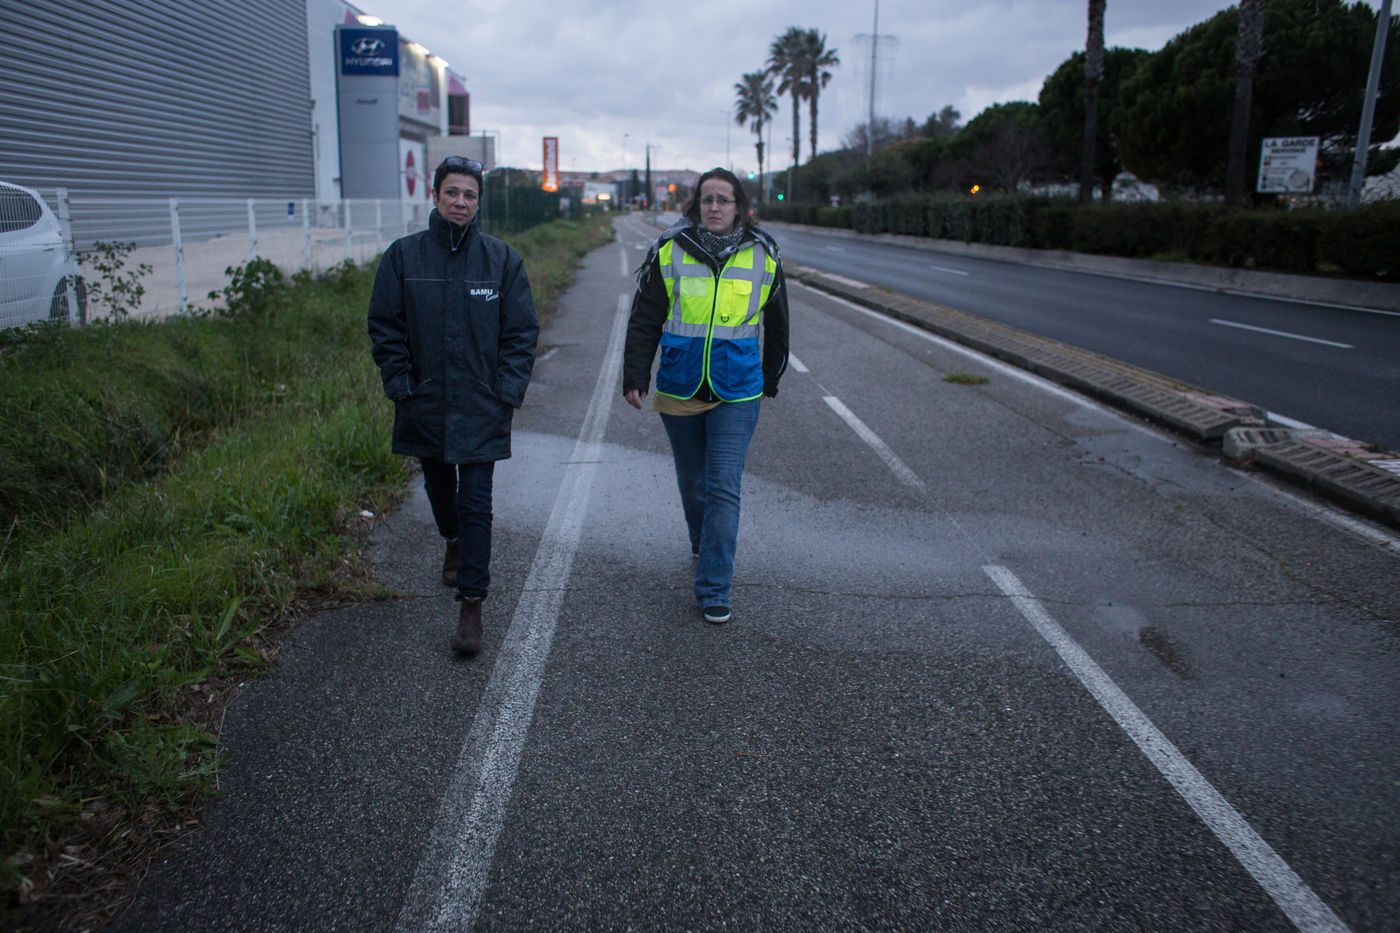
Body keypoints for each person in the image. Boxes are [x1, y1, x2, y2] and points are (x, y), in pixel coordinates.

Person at [368, 156, 539, 655]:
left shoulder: (502, 261)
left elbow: (521, 333)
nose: (460, 202)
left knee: (476, 504)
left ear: (478, 202)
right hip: (425, 402)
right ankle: (452, 540)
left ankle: (472, 603)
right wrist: (401, 384)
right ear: (435, 196)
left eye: (469, 195)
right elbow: (385, 325)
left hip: (483, 406)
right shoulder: (403, 258)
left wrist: (506, 392)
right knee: (441, 492)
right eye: (452, 193)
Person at [622, 167, 789, 624]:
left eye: (724, 199)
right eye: (707, 199)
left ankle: (714, 587)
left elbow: (777, 321)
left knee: (723, 487)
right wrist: (635, 373)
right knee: (693, 483)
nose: (715, 206)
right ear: (696, 204)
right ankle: (702, 541)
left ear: (740, 207)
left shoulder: (764, 253)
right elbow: (645, 316)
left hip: (738, 388)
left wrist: (770, 375)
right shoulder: (670, 248)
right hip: (681, 383)